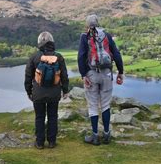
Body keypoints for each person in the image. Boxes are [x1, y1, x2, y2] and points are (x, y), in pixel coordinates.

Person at [78, 14, 124, 146]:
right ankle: (107, 134)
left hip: (92, 74)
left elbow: (81, 57)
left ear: (87, 25)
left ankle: (95, 136)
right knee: (105, 105)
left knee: (93, 105)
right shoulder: (107, 35)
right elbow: (116, 54)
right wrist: (120, 72)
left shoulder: (84, 37)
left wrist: (84, 75)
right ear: (98, 24)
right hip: (107, 74)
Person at [25, 31, 69, 149]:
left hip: (38, 93)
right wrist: (65, 90)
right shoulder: (58, 57)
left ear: (39, 43)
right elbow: (64, 75)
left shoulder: (34, 57)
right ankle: (52, 142)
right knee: (53, 116)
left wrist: (29, 91)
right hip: (54, 93)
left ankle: (39, 143)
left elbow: (28, 76)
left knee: (39, 117)